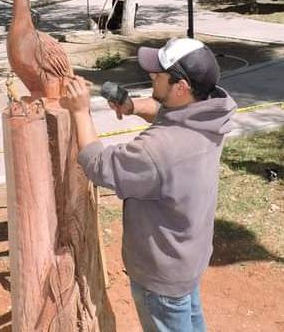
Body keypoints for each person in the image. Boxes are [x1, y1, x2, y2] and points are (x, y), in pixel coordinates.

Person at [61, 37, 237, 332]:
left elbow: (98, 166)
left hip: (161, 273)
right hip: (188, 258)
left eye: (158, 75)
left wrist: (80, 112)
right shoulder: (213, 112)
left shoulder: (157, 150)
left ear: (181, 87)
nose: (151, 77)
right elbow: (171, 114)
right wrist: (131, 107)